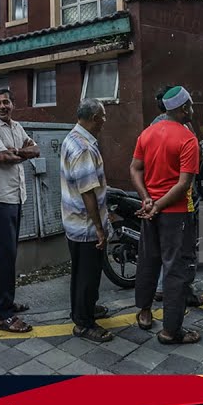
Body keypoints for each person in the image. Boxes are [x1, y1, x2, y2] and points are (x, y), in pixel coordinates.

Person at [130, 86, 203, 344]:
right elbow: (184, 184)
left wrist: (146, 198)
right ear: (183, 108)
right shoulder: (187, 139)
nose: (192, 109)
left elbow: (135, 168)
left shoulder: (147, 134)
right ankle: (171, 330)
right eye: (191, 105)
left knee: (148, 261)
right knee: (175, 269)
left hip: (150, 211)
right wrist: (158, 205)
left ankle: (144, 312)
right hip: (175, 213)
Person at [0, 88, 39, 333]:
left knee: (9, 254)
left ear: (13, 104)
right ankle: (3, 315)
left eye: (6, 102)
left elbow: (35, 150)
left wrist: (14, 152)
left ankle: (1, 302)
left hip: (16, 197)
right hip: (1, 198)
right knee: (5, 256)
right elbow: (2, 158)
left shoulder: (16, 127)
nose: (2, 106)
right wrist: (11, 153)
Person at [60, 98, 114, 343]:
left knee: (83, 272)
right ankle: (83, 323)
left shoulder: (73, 137)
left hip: (75, 221)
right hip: (85, 224)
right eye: (103, 116)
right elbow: (87, 191)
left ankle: (85, 309)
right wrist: (100, 229)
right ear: (94, 118)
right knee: (87, 274)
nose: (105, 121)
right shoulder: (82, 147)